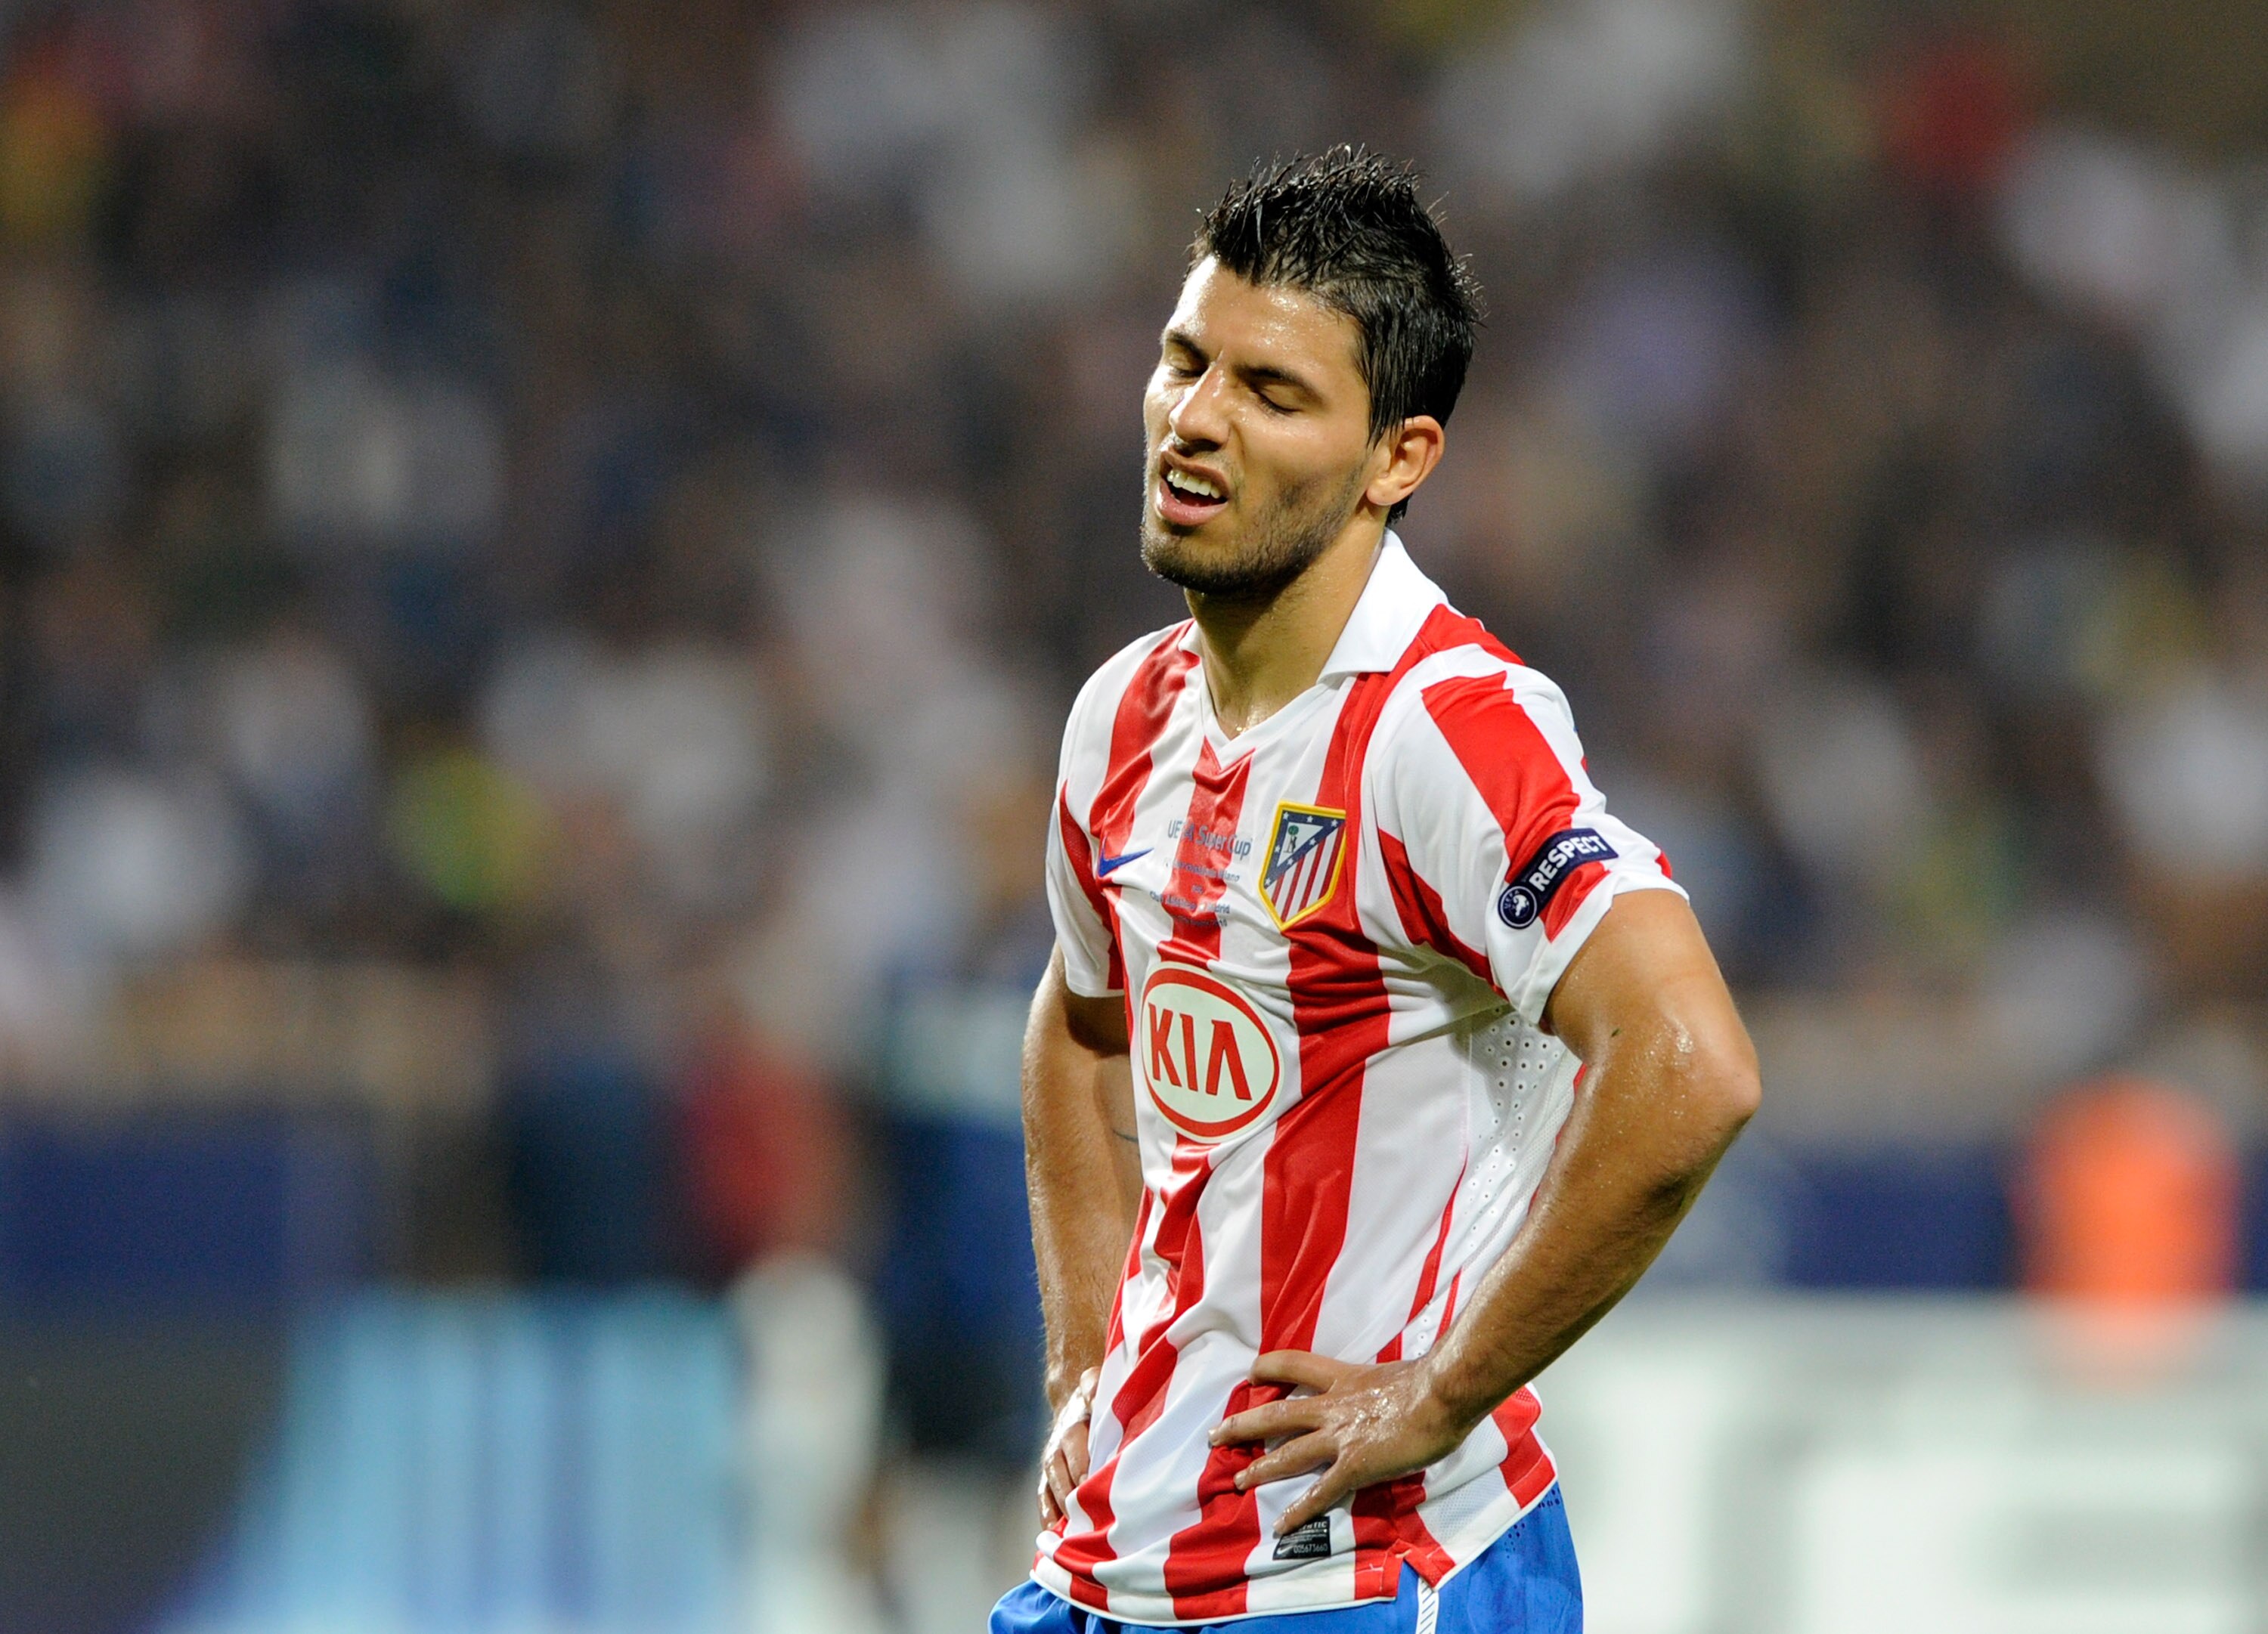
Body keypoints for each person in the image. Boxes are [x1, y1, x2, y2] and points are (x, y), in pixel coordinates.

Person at [994, 149, 1760, 1634]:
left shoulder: (1444, 728)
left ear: (1399, 458)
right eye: (1185, 361)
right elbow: (1081, 1028)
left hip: (1362, 1575)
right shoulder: (1123, 716)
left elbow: (1690, 1064)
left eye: (1273, 393)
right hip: (1110, 1571)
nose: (1196, 419)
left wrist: (1442, 1389)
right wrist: (1085, 1364)